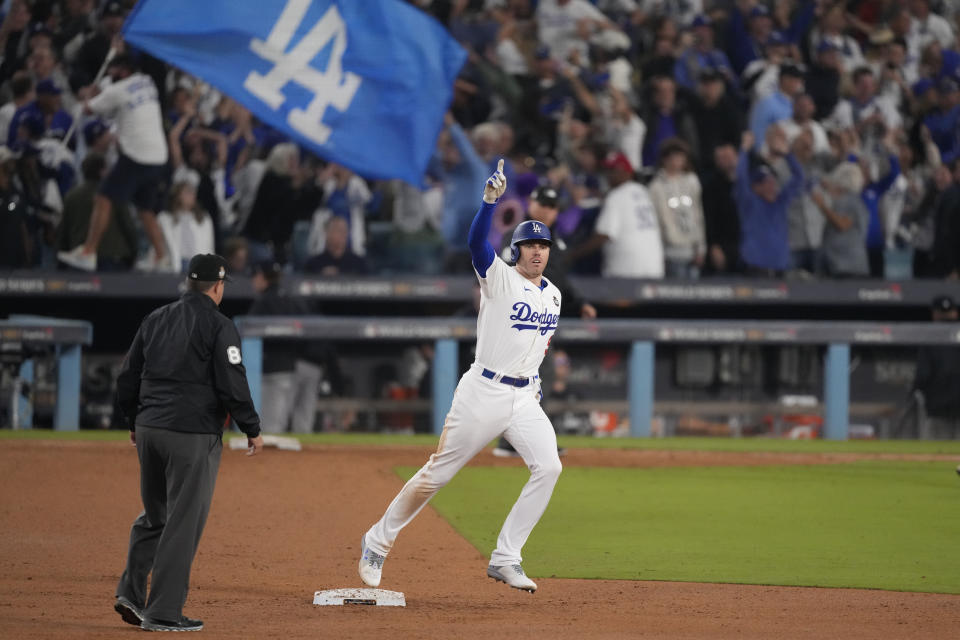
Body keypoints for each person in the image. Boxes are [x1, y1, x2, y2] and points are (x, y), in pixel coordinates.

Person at [358, 160, 562, 593]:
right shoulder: (499, 278)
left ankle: (506, 557)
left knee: (549, 466)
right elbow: (475, 244)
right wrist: (489, 203)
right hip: (483, 391)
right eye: (530, 245)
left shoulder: (555, 294)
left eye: (544, 245)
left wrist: (535, 382)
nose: (538, 251)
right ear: (516, 251)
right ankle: (377, 540)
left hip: (525, 397)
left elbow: (537, 346)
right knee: (437, 474)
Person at [113, 253, 263, 632]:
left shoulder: (155, 319)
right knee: (182, 522)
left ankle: (130, 593)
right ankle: (163, 612)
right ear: (217, 286)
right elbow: (232, 381)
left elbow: (127, 376)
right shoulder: (218, 324)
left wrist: (134, 420)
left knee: (156, 515)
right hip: (191, 434)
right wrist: (251, 427)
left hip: (149, 429)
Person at [57, 54, 171, 272]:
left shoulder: (117, 90)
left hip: (137, 155)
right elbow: (117, 100)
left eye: (113, 69)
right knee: (146, 209)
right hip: (159, 157)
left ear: (124, 70)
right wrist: (98, 92)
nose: (110, 73)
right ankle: (161, 258)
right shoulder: (148, 82)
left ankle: (88, 252)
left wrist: (85, 96)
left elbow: (87, 109)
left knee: (103, 197)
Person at [248, 260, 323, 435]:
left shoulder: (263, 302)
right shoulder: (290, 300)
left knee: (267, 427)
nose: (253, 281)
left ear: (262, 277)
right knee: (277, 424)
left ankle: (267, 462)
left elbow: (247, 331)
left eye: (255, 277)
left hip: (267, 370)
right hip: (288, 367)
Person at [572, 151, 664, 278]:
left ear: (628, 172)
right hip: (654, 268)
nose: (609, 175)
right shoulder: (642, 191)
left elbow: (604, 235)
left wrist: (572, 255)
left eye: (614, 170)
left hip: (627, 271)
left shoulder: (616, 196)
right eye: (608, 170)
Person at [56, 153, 136, 271]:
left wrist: (61, 262)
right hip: (113, 257)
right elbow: (127, 225)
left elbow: (63, 231)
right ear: (102, 171)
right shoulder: (114, 194)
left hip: (81, 259)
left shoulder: (72, 196)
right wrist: (133, 254)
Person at [913, 295, 960, 439]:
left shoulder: (930, 337)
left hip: (938, 409)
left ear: (935, 314)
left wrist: (917, 389)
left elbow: (923, 375)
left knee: (936, 453)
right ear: (955, 313)